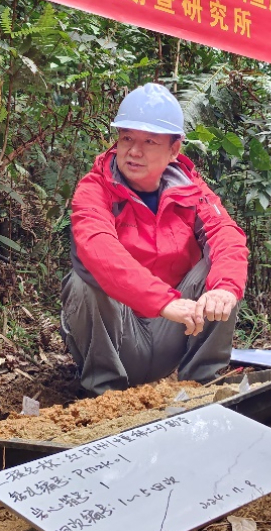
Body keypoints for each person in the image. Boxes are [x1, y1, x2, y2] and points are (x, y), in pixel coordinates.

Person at [60, 83, 249, 395]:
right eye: (127, 138)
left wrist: (225, 288)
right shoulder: (94, 189)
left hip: (175, 328)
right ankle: (104, 396)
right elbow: (99, 249)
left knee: (219, 269)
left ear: (174, 150)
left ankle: (202, 388)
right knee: (83, 280)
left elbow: (226, 234)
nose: (134, 151)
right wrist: (165, 302)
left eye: (149, 141)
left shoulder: (191, 190)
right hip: (119, 334)